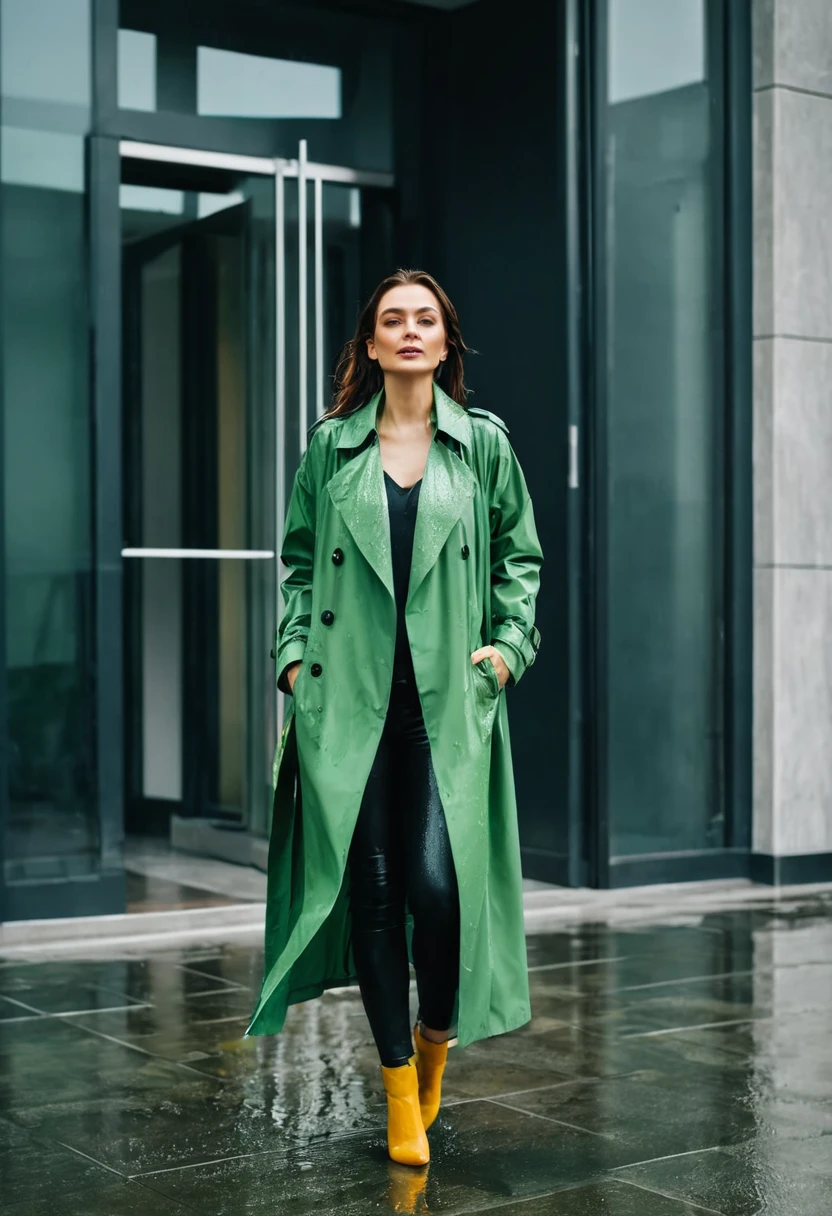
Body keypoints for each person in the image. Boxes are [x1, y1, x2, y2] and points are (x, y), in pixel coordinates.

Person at [247, 269, 543, 1167]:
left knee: (439, 893)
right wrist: (294, 661)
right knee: (373, 898)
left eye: (425, 319)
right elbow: (298, 567)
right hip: (350, 706)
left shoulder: (483, 447)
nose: (409, 332)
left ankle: (433, 1050)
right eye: (392, 321)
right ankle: (398, 1093)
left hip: (447, 707)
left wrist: (504, 653)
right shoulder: (330, 449)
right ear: (371, 346)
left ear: (444, 341)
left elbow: (519, 566)